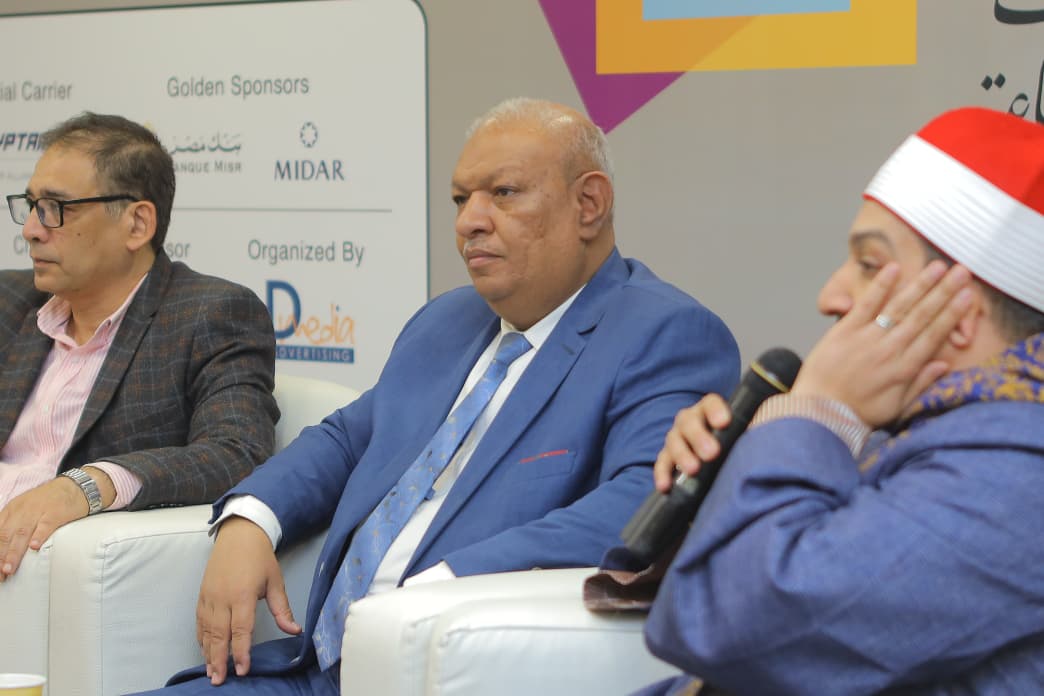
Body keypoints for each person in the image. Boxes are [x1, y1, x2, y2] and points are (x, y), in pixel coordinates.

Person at [136, 97, 741, 695]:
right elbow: (348, 438)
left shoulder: (663, 332)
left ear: (589, 204)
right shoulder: (446, 320)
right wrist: (250, 519)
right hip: (314, 668)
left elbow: (645, 503)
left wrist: (450, 583)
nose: (469, 221)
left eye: (503, 193)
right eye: (460, 199)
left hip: (446, 666)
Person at [639, 106, 1044, 695]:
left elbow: (729, 626)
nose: (830, 295)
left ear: (958, 312)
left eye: (869, 265)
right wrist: (723, 482)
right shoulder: (932, 435)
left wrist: (813, 416)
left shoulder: (1017, 479)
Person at [0, 113, 278, 581]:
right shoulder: (10, 302)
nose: (31, 229)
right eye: (30, 206)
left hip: (52, 577)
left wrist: (85, 487)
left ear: (137, 223)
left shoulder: (210, 314)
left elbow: (238, 452)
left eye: (55, 208)